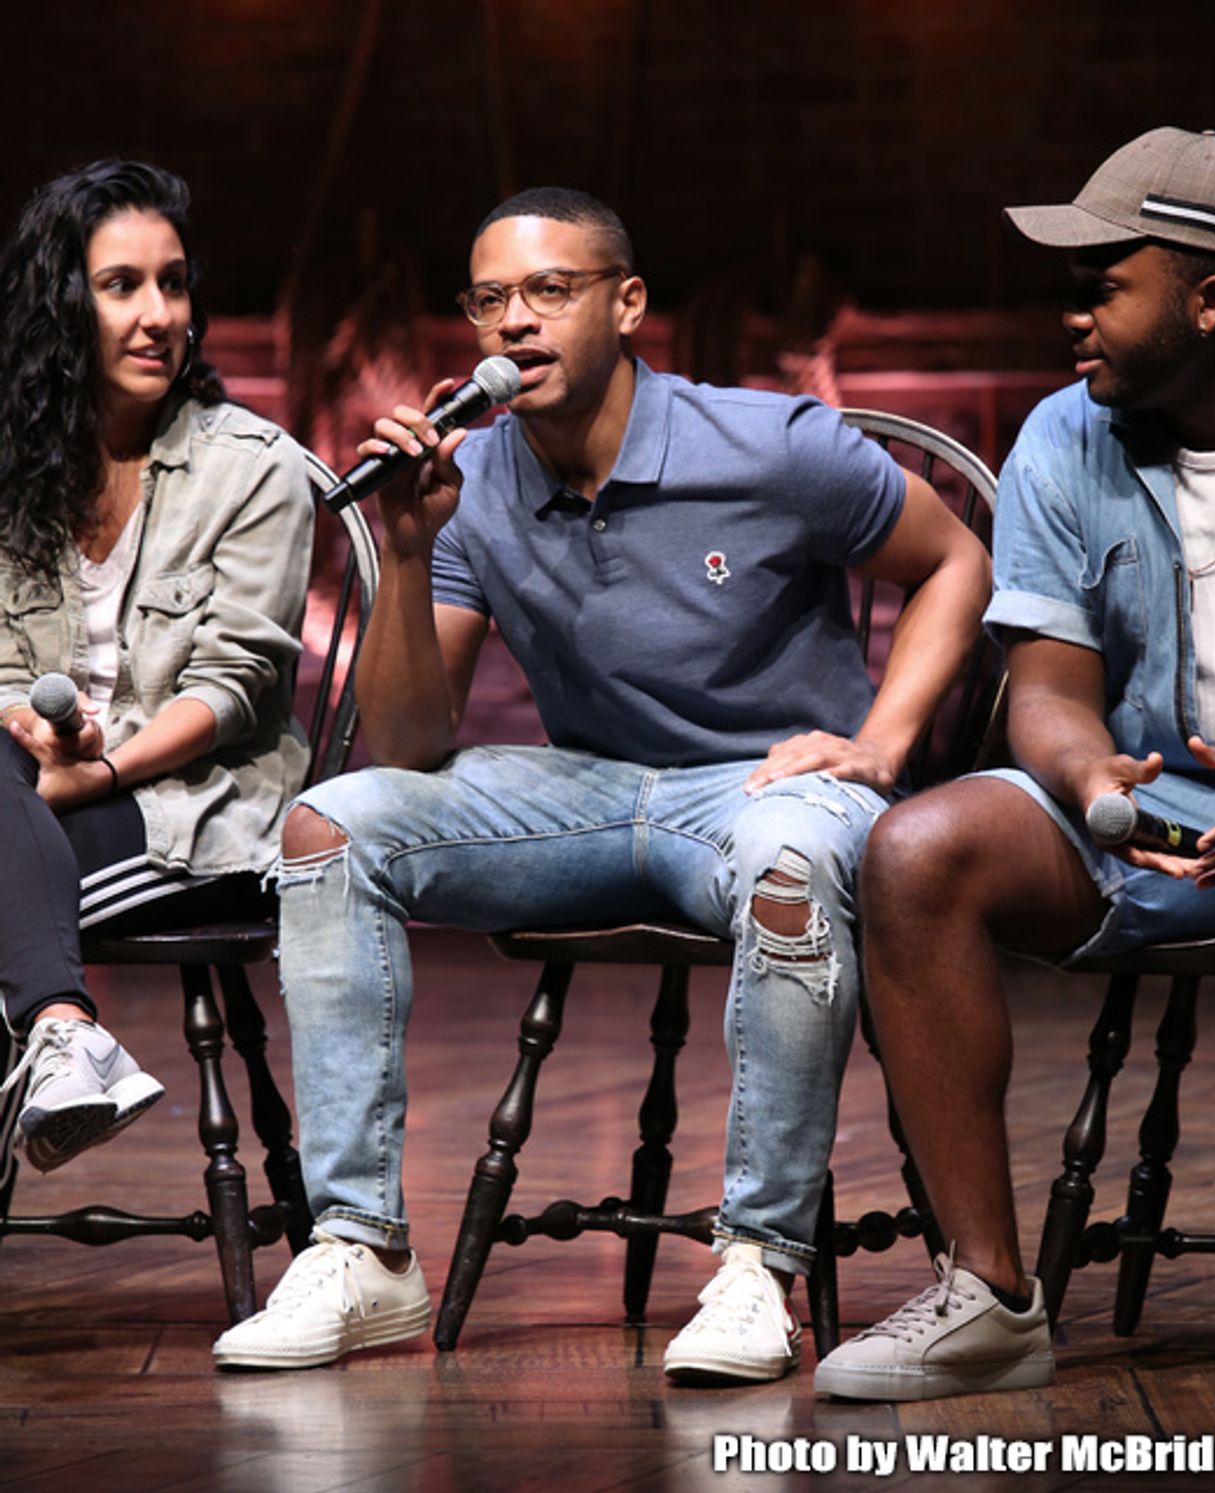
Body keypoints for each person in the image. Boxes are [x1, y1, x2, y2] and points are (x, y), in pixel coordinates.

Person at [210, 186, 991, 1374]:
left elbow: (952, 559)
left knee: (793, 859)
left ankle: (757, 1264)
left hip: (763, 789)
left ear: (625, 305)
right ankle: (361, 1246)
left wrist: (881, 743)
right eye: (489, 301)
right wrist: (413, 554)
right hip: (584, 788)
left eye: (548, 290)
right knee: (330, 824)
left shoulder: (771, 444)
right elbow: (411, 744)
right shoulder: (474, 488)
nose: (514, 324)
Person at [814, 127, 1215, 1414]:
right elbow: (1047, 694)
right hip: (1121, 814)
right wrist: (1090, 786)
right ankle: (986, 1295)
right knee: (912, 849)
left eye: (1100, 284)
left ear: (1208, 298)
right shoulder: (1060, 436)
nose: (1067, 312)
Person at [0, 162, 314, 1173]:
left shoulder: (252, 466)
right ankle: (58, 1029)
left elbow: (231, 689)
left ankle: (56, 1025)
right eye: (121, 284)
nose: (156, 315)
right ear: (60, 304)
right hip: (28, 793)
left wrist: (91, 770)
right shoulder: (19, 469)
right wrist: (29, 729)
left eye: (172, 283)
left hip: (187, 807)